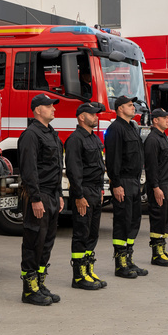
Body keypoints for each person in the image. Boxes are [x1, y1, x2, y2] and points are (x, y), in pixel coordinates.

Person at [19, 94, 65, 305]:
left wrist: (60, 194)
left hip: (52, 195)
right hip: (39, 196)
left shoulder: (52, 134)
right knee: (34, 242)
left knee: (46, 243)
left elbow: (55, 167)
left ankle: (40, 283)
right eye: (49, 106)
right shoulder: (31, 135)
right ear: (38, 110)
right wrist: (35, 198)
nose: (53, 109)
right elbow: (29, 170)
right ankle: (29, 290)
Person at [65, 102, 107, 290]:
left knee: (92, 233)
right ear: (82, 117)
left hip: (95, 191)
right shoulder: (75, 139)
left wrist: (101, 190)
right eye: (92, 114)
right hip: (83, 192)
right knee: (81, 233)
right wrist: (79, 196)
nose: (96, 117)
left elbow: (98, 166)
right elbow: (74, 171)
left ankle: (88, 270)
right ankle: (78, 276)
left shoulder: (95, 138)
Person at [104, 95, 147, 278]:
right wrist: (116, 184)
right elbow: (113, 159)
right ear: (120, 108)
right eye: (130, 105)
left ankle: (129, 259)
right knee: (122, 221)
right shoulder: (116, 129)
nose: (133, 108)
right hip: (123, 181)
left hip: (134, 182)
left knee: (133, 221)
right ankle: (120, 264)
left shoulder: (132, 127)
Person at [144, 108, 168, 266]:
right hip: (159, 185)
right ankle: (156, 254)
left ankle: (162, 249)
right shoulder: (152, 139)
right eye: (164, 118)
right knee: (158, 218)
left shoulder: (164, 138)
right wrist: (155, 187)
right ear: (155, 120)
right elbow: (151, 167)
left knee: (166, 218)